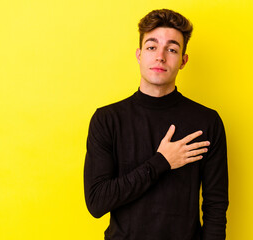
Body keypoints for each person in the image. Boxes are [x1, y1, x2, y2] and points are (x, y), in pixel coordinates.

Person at [84, 9, 229, 240]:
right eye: (152, 47)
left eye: (172, 49)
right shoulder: (107, 120)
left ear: (183, 60)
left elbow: (215, 206)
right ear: (139, 54)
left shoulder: (207, 122)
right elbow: (97, 202)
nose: (160, 56)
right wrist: (161, 162)